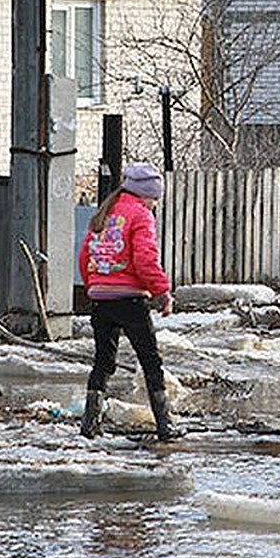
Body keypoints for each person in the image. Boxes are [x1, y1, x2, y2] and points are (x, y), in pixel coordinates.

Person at [77, 161, 177, 440]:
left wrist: (94, 286)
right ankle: (165, 425)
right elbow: (145, 260)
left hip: (101, 298)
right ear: (146, 196)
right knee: (150, 360)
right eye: (155, 199)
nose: (155, 205)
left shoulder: (105, 212)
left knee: (103, 361)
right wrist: (162, 292)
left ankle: (90, 424)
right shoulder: (141, 215)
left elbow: (85, 257)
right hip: (129, 300)